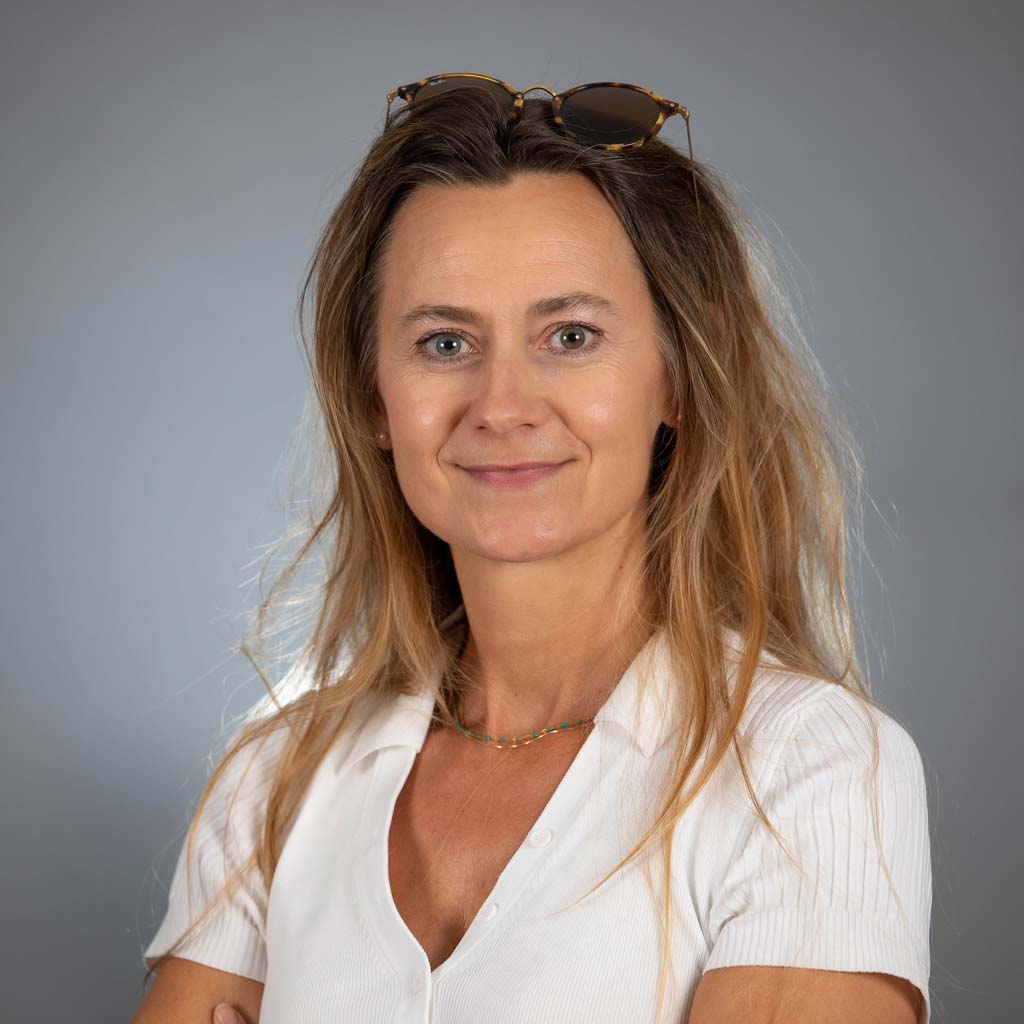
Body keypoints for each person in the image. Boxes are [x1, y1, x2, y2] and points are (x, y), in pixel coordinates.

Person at [131, 75, 932, 1023]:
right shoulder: (273, 779)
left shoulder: (808, 768)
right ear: (373, 398)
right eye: (444, 343)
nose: (502, 405)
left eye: (571, 335)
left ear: (678, 380)